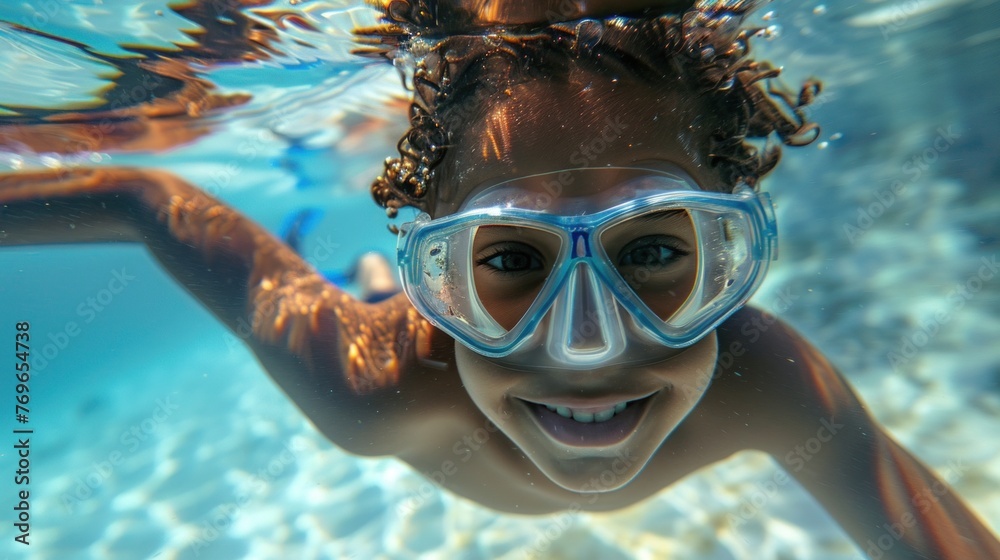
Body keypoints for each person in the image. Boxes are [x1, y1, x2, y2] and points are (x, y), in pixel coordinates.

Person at [1, 0, 998, 557]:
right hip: (385, 308)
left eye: (654, 250)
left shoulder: (769, 377)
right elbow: (139, 196)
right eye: (510, 256)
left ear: (729, 260)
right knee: (348, 284)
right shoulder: (372, 385)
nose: (588, 345)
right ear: (436, 265)